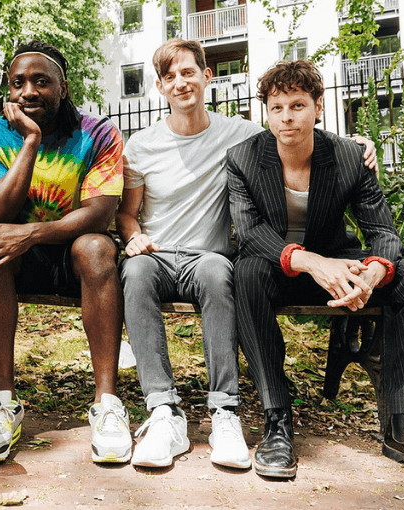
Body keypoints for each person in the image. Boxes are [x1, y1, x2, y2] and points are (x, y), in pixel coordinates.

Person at [115, 39, 376, 469]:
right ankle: (163, 412)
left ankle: (225, 412)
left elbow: (292, 129)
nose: (181, 83)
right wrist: (133, 236)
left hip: (208, 257)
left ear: (206, 76)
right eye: (170, 77)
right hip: (156, 255)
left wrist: (354, 144)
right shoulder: (141, 145)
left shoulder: (238, 133)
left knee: (221, 272)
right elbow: (127, 214)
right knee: (136, 271)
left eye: (188, 72)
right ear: (160, 87)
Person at [225, 59, 404, 487]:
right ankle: (277, 419)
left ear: (318, 107)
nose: (287, 117)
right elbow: (249, 235)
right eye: (277, 107)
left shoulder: (348, 156)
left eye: (298, 105)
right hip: (280, 269)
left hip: (341, 267)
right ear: (266, 112)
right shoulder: (243, 158)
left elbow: (383, 233)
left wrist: (373, 272)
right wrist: (312, 262)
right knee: (244, 273)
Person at [0, 41, 131, 464]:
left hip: (74, 255)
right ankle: (2, 404)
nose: (28, 91)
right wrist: (31, 140)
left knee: (97, 247)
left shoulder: (98, 133)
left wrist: (32, 233)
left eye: (41, 81)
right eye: (18, 83)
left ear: (63, 87)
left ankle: (107, 405)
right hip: (19, 259)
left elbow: (100, 213)